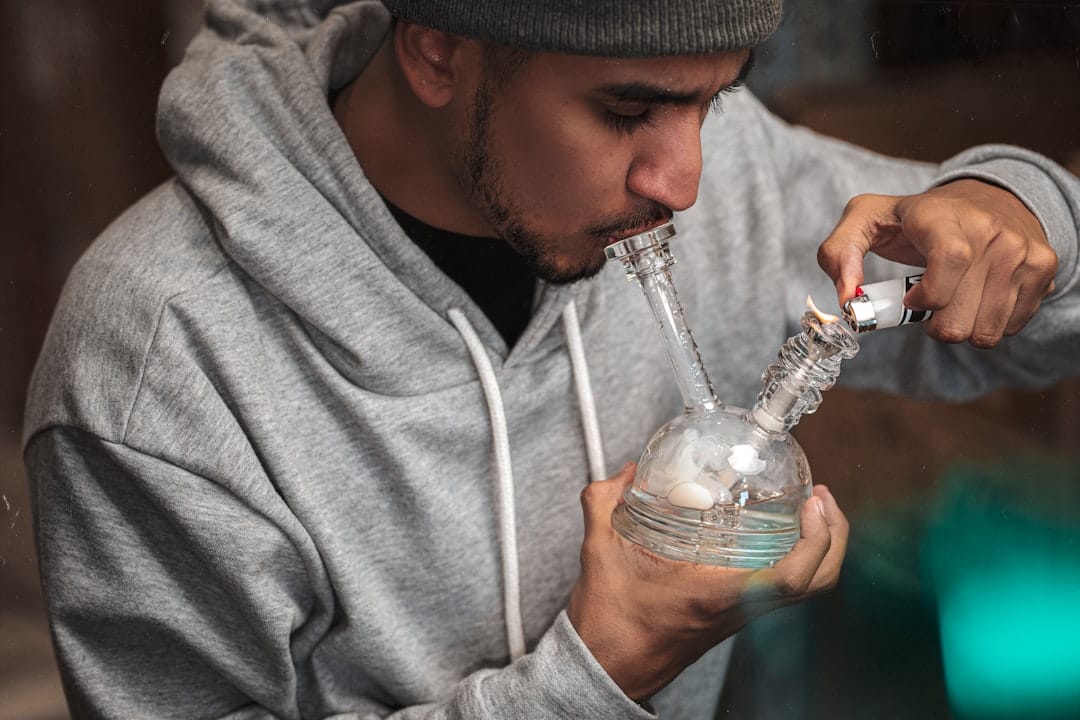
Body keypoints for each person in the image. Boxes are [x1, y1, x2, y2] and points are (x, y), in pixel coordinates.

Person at [23, 1, 1079, 718]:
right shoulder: (160, 356)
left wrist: (1020, 207)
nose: (685, 181)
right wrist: (602, 673)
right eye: (628, 109)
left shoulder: (720, 173)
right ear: (437, 46)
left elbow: (1035, 317)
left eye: (712, 101)